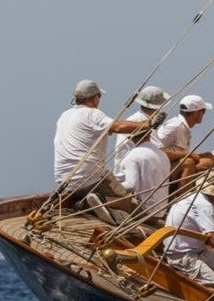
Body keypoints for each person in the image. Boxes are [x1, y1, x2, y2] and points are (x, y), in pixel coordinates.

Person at [53, 79, 155, 210]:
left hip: (64, 182)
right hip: (88, 180)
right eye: (99, 96)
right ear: (95, 98)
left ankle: (80, 200)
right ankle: (88, 204)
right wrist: (149, 124)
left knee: (106, 179)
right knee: (127, 203)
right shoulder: (93, 114)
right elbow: (118, 127)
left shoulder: (64, 116)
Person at [116, 125, 171, 223]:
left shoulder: (133, 155)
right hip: (160, 213)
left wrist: (112, 187)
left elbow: (130, 185)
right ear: (149, 135)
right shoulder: (163, 155)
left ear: (131, 138)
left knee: (101, 194)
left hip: (144, 212)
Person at [157, 94, 213, 189]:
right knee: (189, 162)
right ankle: (182, 198)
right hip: (159, 168)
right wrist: (187, 154)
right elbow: (157, 151)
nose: (204, 114)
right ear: (196, 113)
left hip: (169, 165)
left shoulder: (182, 126)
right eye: (203, 111)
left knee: (209, 157)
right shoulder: (176, 126)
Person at [113, 85, 170, 173]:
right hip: (132, 171)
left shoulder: (138, 118)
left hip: (126, 168)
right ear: (159, 106)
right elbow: (160, 151)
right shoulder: (144, 122)